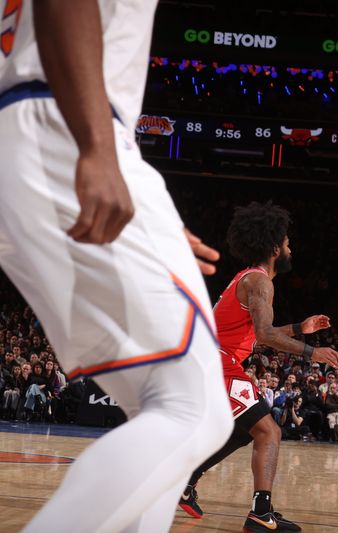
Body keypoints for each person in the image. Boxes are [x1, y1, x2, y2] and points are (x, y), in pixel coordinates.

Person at [1, 2, 234, 531]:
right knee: (192, 407)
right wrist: (96, 147)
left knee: (158, 412)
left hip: (34, 127)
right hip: (61, 120)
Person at [179, 202, 338, 533]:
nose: (290, 248)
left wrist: (300, 328)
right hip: (216, 362)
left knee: (243, 432)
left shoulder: (252, 280)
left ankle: (186, 482)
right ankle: (260, 514)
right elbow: (265, 334)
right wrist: (313, 352)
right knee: (270, 431)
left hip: (213, 360)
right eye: (287, 243)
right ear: (273, 248)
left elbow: (258, 337)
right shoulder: (259, 282)